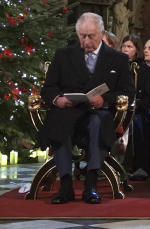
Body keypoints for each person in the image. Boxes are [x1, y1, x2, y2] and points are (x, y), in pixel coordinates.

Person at [39, 12, 133, 204]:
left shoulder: (118, 59)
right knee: (59, 122)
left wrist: (105, 99)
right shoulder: (63, 55)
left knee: (97, 124)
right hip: (68, 110)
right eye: (82, 36)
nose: (86, 40)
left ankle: (91, 185)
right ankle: (65, 186)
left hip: (99, 112)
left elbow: (127, 92)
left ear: (101, 33)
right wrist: (58, 99)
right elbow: (48, 88)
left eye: (91, 36)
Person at [130, 39, 150, 180]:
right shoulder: (138, 68)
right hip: (140, 109)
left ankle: (145, 167)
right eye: (145, 47)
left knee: (142, 122)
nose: (146, 50)